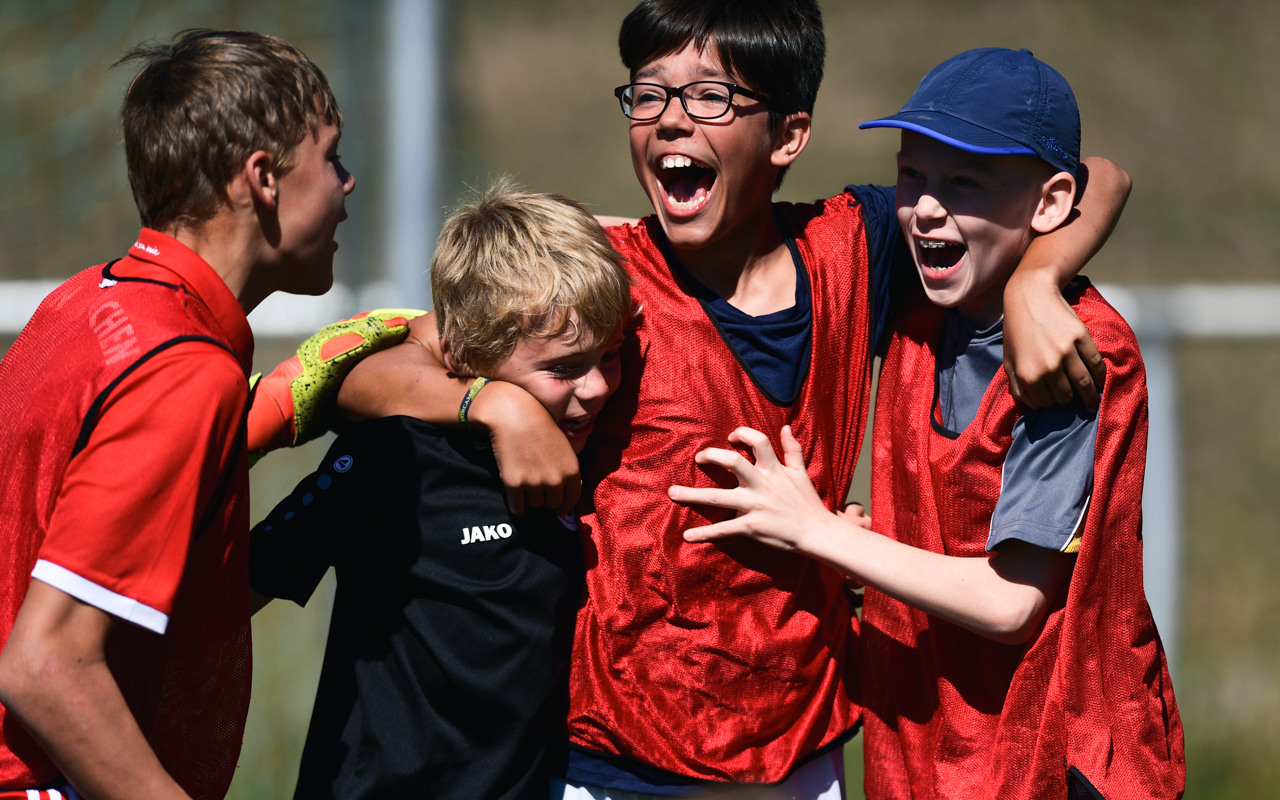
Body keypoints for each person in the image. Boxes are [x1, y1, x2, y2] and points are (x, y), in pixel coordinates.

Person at [261, 1, 1126, 795]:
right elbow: (375, 367)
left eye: (711, 96)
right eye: (648, 94)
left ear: (788, 134)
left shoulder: (862, 243)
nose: (672, 118)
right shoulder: (597, 275)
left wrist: (1037, 280)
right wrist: (499, 405)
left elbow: (1094, 176)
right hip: (612, 763)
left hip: (802, 755)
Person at [672, 48, 1184, 799]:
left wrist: (819, 531)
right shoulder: (920, 296)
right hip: (923, 751)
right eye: (911, 174)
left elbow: (1010, 602)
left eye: (965, 182)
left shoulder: (1070, 354)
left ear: (1048, 204)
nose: (927, 208)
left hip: (1049, 763)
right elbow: (1101, 178)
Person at [0, 30, 358, 800]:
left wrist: (273, 409)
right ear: (263, 178)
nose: (348, 182)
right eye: (331, 157)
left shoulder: (85, 301)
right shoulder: (184, 373)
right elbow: (45, 663)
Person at [248, 183, 633, 800]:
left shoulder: (606, 446)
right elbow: (239, 586)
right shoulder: (390, 458)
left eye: (609, 357)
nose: (596, 388)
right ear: (466, 355)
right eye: (563, 369)